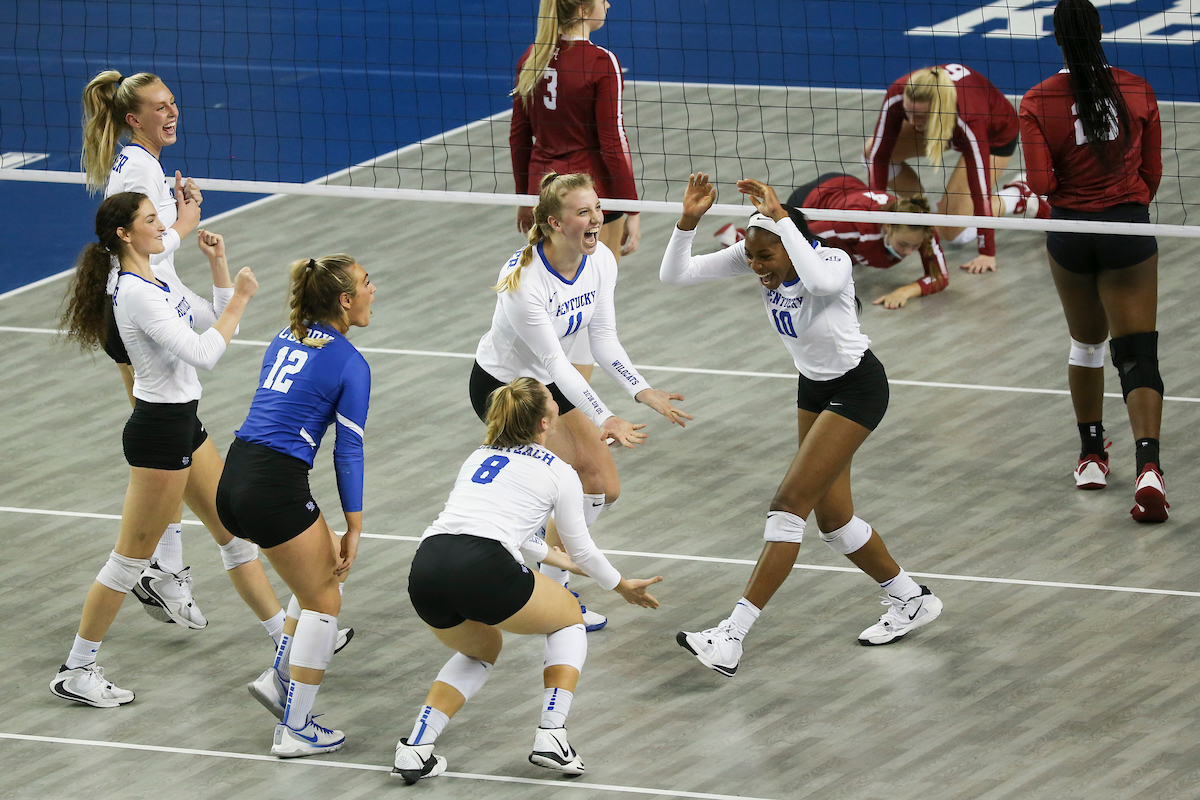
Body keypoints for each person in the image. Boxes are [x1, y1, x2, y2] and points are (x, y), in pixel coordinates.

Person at [661, 174, 943, 676]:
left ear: (790, 243)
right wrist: (687, 222)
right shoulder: (760, 251)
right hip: (813, 388)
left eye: (764, 258)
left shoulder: (829, 259)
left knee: (788, 507)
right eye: (750, 256)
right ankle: (911, 600)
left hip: (857, 388)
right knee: (833, 522)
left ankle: (731, 638)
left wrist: (784, 222)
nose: (756, 266)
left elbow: (819, 283)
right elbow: (674, 277)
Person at [78, 68, 306, 651]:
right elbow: (144, 246)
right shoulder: (137, 171)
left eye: (173, 102)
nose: (172, 112)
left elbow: (177, 281)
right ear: (134, 118)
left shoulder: (145, 176)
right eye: (160, 106)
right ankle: (154, 578)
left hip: (163, 333)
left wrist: (218, 272)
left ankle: (285, 637)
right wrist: (185, 223)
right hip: (143, 337)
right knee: (152, 507)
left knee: (226, 518)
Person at [392, 377, 661, 782]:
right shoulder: (561, 472)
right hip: (482, 565)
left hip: (427, 566)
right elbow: (583, 547)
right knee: (570, 615)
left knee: (480, 650)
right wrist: (621, 585)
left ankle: (416, 748)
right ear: (543, 424)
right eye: (553, 400)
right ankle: (552, 734)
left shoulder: (479, 455)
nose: (557, 400)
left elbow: (497, 525)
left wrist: (555, 559)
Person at [51, 192, 257, 707]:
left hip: (182, 424)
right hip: (160, 433)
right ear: (125, 233)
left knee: (233, 528)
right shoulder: (137, 293)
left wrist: (219, 266)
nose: (162, 223)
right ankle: (77, 669)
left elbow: (210, 320)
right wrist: (243, 300)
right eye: (150, 218)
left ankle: (286, 639)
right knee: (126, 562)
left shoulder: (157, 276)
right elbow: (206, 353)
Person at [471, 172, 690, 630]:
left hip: (551, 387)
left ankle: (544, 563)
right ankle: (551, 595)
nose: (597, 220)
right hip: (508, 391)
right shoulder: (523, 280)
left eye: (597, 209)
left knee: (603, 488)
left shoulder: (601, 261)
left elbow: (604, 339)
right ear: (554, 222)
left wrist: (642, 389)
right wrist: (605, 416)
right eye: (583, 212)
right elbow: (555, 363)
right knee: (573, 486)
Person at [216, 254, 374, 757]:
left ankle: (280, 678)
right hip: (273, 488)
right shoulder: (351, 362)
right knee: (326, 599)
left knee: (321, 564)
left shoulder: (286, 336)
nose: (375, 290)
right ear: (345, 300)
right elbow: (347, 450)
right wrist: (355, 525)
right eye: (367, 284)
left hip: (235, 475)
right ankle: (296, 728)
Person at [1019, 0, 1166, 520]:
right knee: (1137, 349)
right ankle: (1149, 468)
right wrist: (1124, 201)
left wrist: (1074, 196)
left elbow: (1040, 185)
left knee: (1087, 345)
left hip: (1071, 232)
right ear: (1102, 32)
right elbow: (1153, 172)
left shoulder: (1038, 100)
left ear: (1055, 38)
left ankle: (1091, 456)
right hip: (1125, 227)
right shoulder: (1137, 88)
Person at [510, 0, 642, 398]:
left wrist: (524, 196)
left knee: (548, 302)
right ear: (584, 8)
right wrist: (632, 207)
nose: (608, 3)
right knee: (590, 310)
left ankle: (540, 406)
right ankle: (574, 411)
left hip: (545, 197)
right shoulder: (601, 62)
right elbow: (611, 142)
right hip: (588, 197)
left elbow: (519, 134)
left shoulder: (532, 57)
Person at [863, 63, 1048, 274]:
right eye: (908, 113)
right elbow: (878, 156)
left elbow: (980, 194)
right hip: (941, 124)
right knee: (870, 153)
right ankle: (925, 208)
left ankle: (1020, 197)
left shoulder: (970, 120)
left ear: (938, 109)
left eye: (920, 116)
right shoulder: (899, 94)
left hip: (995, 137)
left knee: (950, 231)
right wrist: (874, 218)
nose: (912, 122)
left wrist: (986, 251)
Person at [788, 173, 949, 309]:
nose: (908, 252)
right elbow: (797, 237)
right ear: (888, 227)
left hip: (851, 189)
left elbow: (940, 277)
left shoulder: (923, 228)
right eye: (903, 244)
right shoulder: (855, 227)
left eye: (915, 246)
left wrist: (904, 292)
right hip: (813, 199)